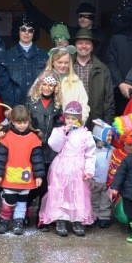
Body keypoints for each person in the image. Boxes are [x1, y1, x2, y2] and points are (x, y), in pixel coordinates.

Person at [39, 101, 96, 237]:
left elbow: (90, 153)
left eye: (73, 119)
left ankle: (77, 220)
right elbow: (54, 146)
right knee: (60, 193)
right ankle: (61, 219)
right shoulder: (59, 131)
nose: (70, 121)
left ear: (79, 119)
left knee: (77, 194)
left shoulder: (85, 134)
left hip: (78, 168)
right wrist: (63, 133)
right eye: (68, 118)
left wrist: (89, 170)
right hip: (61, 167)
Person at [0, 105, 47, 235]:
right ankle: (4, 221)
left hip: (26, 177)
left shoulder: (33, 138)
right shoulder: (7, 137)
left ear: (29, 120)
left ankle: (18, 222)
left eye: (25, 122)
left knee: (22, 201)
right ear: (12, 121)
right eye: (18, 123)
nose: (22, 125)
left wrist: (38, 176)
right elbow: (0, 158)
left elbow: (37, 159)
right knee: (9, 200)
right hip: (9, 176)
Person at [25, 70, 63, 229]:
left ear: (55, 88)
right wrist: (34, 132)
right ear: (39, 85)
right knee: (33, 182)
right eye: (44, 84)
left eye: (51, 85)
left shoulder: (58, 106)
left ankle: (43, 216)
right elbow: (26, 123)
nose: (47, 88)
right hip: (35, 148)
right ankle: (25, 209)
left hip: (51, 150)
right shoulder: (31, 102)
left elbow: (60, 127)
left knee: (46, 185)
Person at [0, 15, 49, 107]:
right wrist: (9, 107)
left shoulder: (43, 56)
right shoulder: (6, 57)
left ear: (34, 32)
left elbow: (47, 83)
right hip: (15, 107)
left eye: (30, 30)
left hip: (39, 106)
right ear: (18, 31)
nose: (26, 33)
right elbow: (4, 86)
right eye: (23, 29)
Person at [73, 28, 114, 126]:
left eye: (87, 43)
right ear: (75, 46)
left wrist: (107, 125)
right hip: (71, 119)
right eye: (80, 43)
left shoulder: (102, 69)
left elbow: (109, 100)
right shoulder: (67, 66)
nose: (84, 46)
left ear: (92, 47)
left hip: (95, 121)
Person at [46, 48, 90, 123]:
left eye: (66, 62)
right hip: (48, 125)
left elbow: (84, 105)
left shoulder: (76, 81)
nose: (63, 65)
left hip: (70, 125)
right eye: (59, 62)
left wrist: (79, 123)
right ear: (53, 62)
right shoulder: (44, 79)